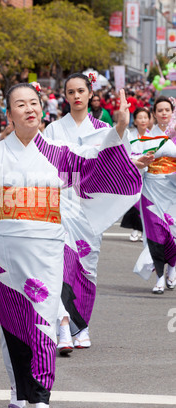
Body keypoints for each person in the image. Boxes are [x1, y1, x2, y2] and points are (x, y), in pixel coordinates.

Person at [0, 82, 141, 408]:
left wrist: (118, 127)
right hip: (7, 254)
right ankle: (17, 392)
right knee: (12, 324)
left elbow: (94, 163)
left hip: (47, 250)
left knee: (43, 324)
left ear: (41, 108)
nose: (29, 108)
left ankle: (41, 398)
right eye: (20, 104)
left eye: (34, 102)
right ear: (9, 114)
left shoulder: (58, 151)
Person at [44, 73, 149, 353]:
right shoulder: (53, 130)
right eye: (70, 92)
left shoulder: (104, 130)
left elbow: (117, 161)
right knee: (59, 265)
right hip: (61, 202)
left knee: (87, 268)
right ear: (64, 97)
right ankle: (62, 324)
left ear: (91, 93)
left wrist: (135, 161)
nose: (76, 96)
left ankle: (82, 326)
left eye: (81, 91)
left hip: (90, 207)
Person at [134, 96, 176, 294]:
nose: (164, 113)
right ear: (154, 114)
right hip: (151, 190)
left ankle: (172, 269)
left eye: (167, 110)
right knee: (155, 234)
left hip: (173, 189)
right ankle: (159, 276)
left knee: (173, 233)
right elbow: (136, 160)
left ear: (172, 112)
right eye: (160, 110)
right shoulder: (146, 138)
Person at [121, 107, 152, 242]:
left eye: (145, 117)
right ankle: (136, 229)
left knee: (148, 204)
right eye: (140, 117)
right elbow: (125, 154)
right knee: (135, 202)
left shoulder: (154, 136)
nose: (143, 120)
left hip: (150, 174)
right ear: (135, 120)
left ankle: (145, 231)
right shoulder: (130, 135)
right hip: (133, 174)